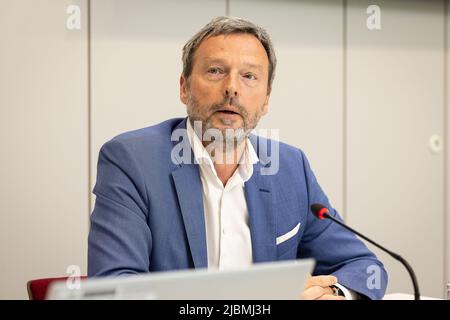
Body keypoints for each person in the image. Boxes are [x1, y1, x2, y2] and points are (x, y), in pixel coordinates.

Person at [88, 16, 387, 300]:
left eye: (249, 76)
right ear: (184, 87)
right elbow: (115, 287)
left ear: (267, 99)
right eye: (216, 71)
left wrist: (334, 294)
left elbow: (365, 267)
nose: (232, 88)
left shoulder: (291, 168)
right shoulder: (131, 160)